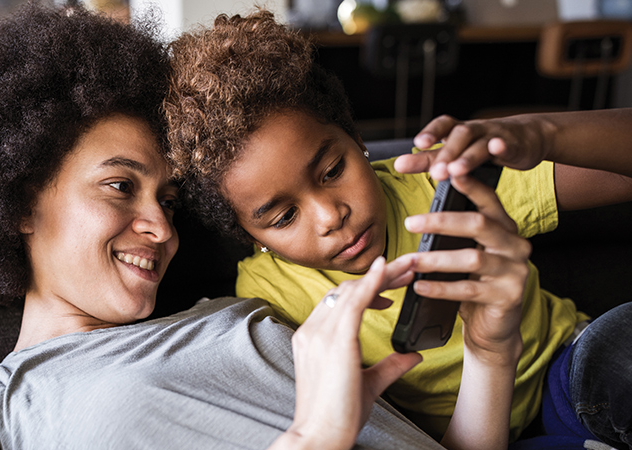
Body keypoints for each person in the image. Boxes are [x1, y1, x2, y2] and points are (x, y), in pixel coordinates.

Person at [0, 5, 524, 450]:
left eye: (168, 197)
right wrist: (312, 439)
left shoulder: (246, 314)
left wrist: (491, 352)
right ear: (22, 203)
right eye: (120, 185)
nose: (162, 227)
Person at [163, 10, 632, 448]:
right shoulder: (267, 300)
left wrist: (544, 133)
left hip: (568, 374)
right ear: (251, 237)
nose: (330, 216)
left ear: (357, 138)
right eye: (284, 217)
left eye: (331, 171)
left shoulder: (436, 179)